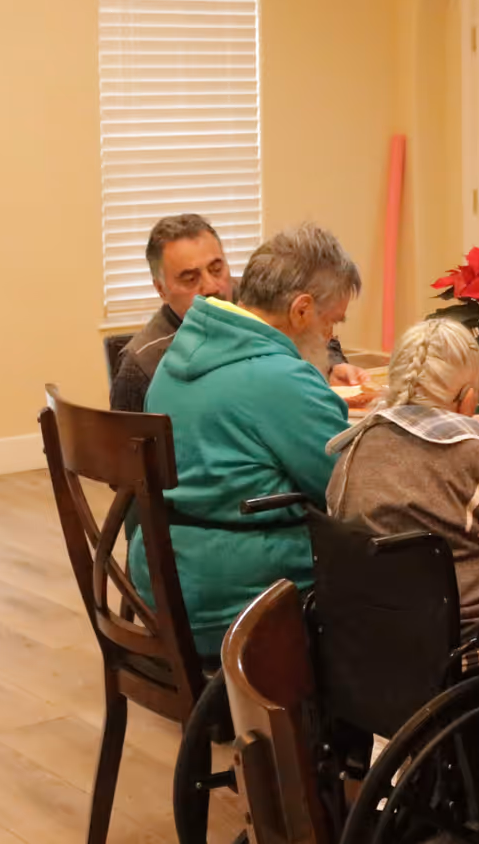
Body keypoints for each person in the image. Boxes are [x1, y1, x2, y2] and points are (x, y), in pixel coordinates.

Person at [128, 223, 362, 655]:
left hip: (162, 584)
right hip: (236, 599)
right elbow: (352, 488)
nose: (331, 338)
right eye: (333, 321)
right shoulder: (281, 378)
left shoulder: (183, 348)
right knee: (406, 567)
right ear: (302, 310)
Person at [326, 318, 479, 637]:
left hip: (375, 640)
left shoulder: (353, 447)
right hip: (475, 637)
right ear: (469, 399)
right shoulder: (470, 457)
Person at [112, 214, 365, 414]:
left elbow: (313, 325)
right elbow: (128, 470)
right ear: (161, 290)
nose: (211, 286)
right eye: (190, 278)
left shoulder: (258, 295)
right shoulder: (142, 364)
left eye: (217, 268)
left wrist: (333, 365)